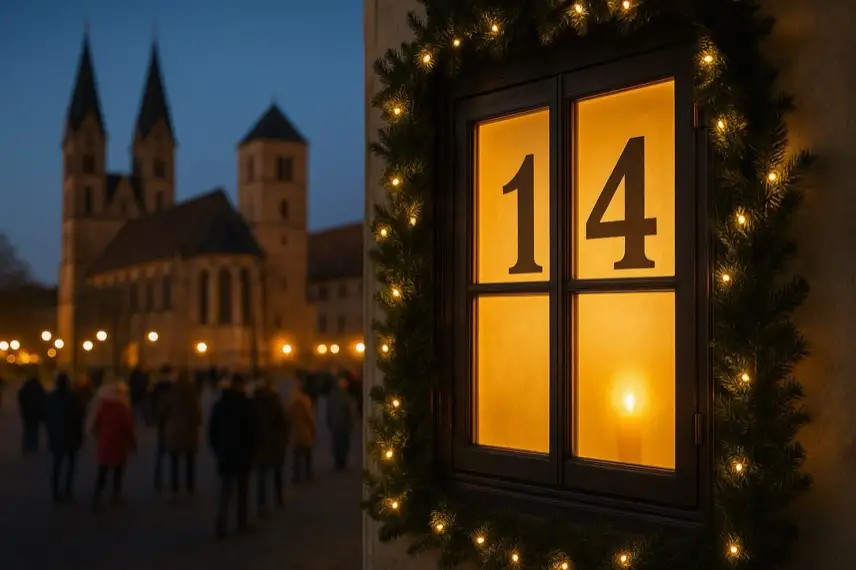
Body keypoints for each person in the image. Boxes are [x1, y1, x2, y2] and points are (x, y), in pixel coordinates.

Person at [209, 373, 258, 540]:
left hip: (226, 453)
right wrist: (252, 450)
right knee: (242, 491)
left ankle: (221, 523)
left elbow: (212, 432)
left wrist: (218, 450)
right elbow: (253, 431)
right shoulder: (247, 405)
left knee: (226, 490)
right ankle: (241, 522)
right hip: (243, 453)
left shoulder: (220, 405)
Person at [91, 382, 136, 510]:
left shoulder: (102, 406)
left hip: (105, 442)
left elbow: (95, 424)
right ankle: (116, 495)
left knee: (103, 470)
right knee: (118, 470)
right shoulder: (122, 408)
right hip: (118, 443)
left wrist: (99, 436)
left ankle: (97, 495)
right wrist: (132, 442)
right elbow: (128, 427)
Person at [45, 371, 85, 503]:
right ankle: (68, 490)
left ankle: (55, 492)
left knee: (57, 464)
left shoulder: (51, 397)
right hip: (71, 435)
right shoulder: (73, 398)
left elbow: (47, 417)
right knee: (70, 465)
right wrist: (80, 436)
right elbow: (79, 418)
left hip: (56, 436)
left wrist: (50, 432)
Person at [253, 376, 290, 516]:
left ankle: (261, 504)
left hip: (260, 444)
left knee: (261, 476)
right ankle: (278, 498)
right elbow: (283, 423)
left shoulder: (254, 402)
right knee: (277, 472)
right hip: (275, 443)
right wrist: (283, 439)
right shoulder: (275, 402)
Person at [163, 368, 202, 498]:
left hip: (174, 430)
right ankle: (190, 487)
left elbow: (163, 411)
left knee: (174, 461)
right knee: (190, 461)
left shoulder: (171, 393)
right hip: (190, 431)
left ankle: (174, 488)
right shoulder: (192, 394)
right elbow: (197, 415)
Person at [149, 365, 175, 492]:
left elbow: (152, 403)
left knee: (161, 452)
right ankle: (173, 480)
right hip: (171, 422)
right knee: (172, 453)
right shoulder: (173, 387)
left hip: (161, 422)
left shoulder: (156, 387)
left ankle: (158, 478)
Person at [288, 380, 316, 483]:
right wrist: (313, 428)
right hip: (305, 430)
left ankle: (296, 475)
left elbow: (287, 417)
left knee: (297, 455)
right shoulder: (305, 400)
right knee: (307, 453)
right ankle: (307, 474)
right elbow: (310, 416)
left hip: (295, 432)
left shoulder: (292, 402)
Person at [327, 374, 355, 471]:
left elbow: (329, 410)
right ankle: (342, 462)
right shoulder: (346, 396)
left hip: (335, 424)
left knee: (336, 443)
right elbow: (350, 412)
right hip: (344, 425)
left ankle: (337, 462)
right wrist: (351, 424)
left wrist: (329, 422)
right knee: (344, 444)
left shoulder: (332, 395)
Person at [18, 374, 46, 454]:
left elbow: (20, 395)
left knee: (27, 429)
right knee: (35, 429)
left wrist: (23, 406)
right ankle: (34, 446)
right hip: (36, 412)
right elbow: (43, 398)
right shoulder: (38, 388)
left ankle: (27, 446)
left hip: (27, 412)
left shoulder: (26, 387)